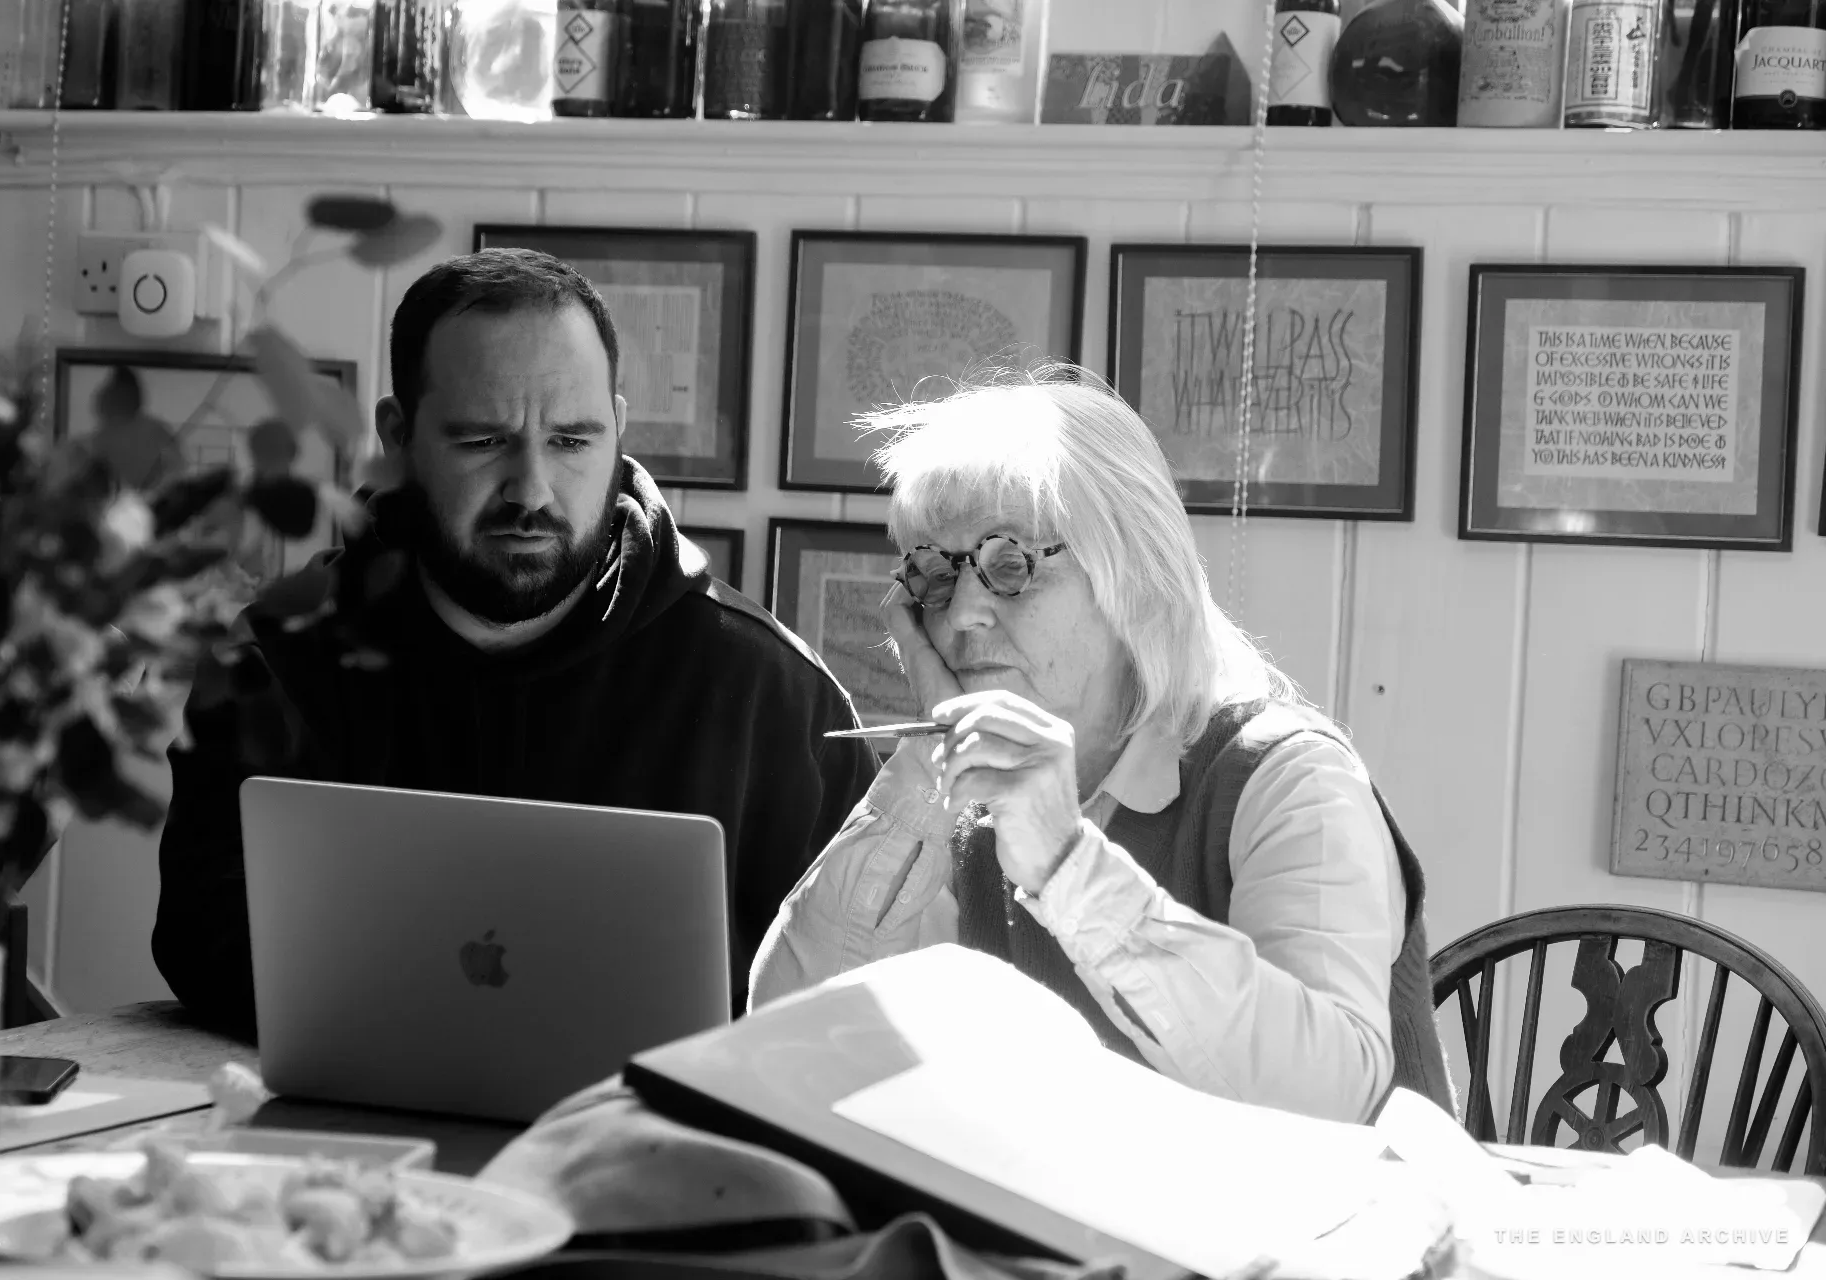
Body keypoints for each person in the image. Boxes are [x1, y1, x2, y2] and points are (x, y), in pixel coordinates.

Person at [155, 249, 879, 1034]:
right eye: (482, 442)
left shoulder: (767, 691)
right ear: (399, 437)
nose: (531, 491)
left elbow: (863, 997)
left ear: (618, 430)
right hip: (348, 1127)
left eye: (572, 442)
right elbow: (202, 940)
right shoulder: (277, 661)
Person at [748, 363, 1453, 1125]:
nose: (961, 619)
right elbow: (787, 1032)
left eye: (1010, 564)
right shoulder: (968, 808)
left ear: (1134, 577)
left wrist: (1066, 864)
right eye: (934, 576)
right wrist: (929, 766)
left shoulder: (1292, 780)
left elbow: (1332, 1097)